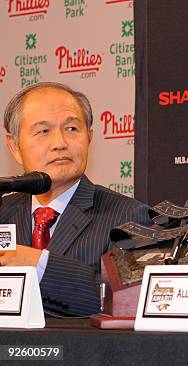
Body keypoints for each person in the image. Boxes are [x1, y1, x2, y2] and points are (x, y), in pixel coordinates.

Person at [0, 82, 151, 316]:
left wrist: (41, 266)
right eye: (43, 131)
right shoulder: (4, 211)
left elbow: (126, 302)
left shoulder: (129, 218)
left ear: (89, 137)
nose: (60, 143)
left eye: (71, 129)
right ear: (14, 146)